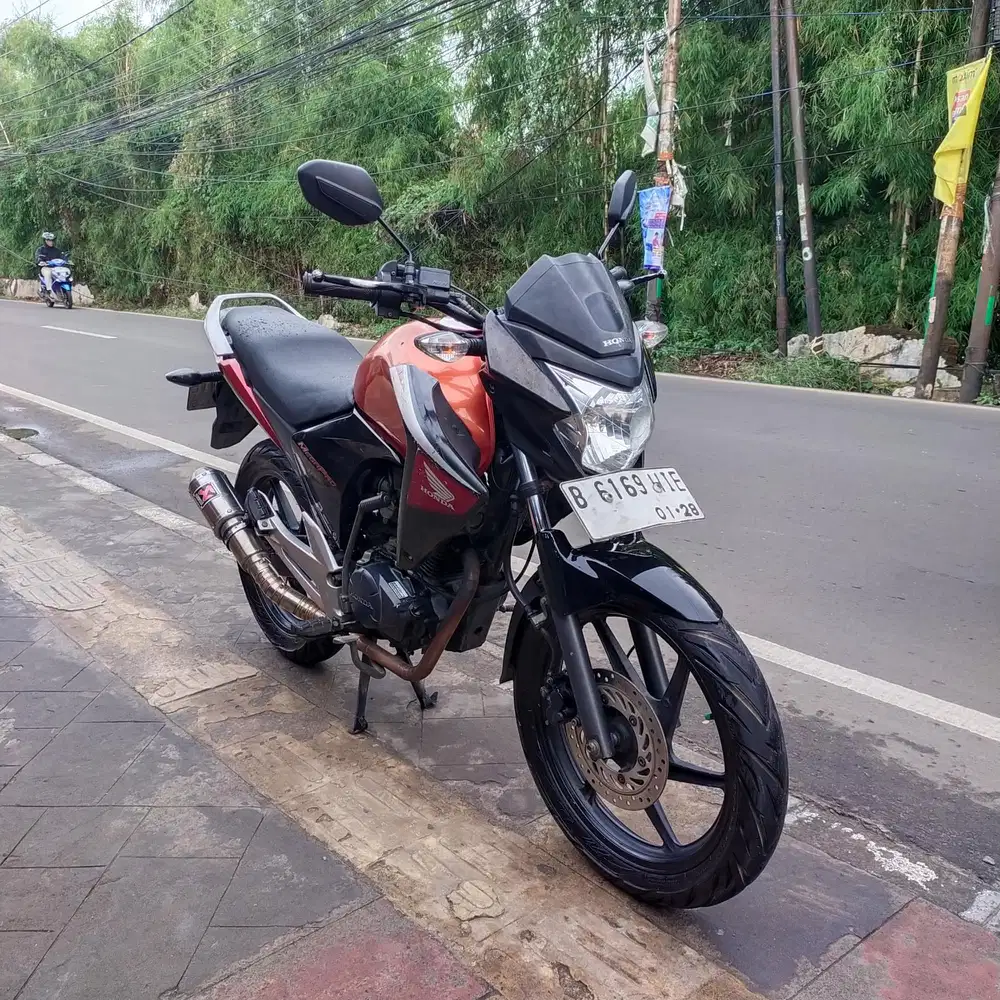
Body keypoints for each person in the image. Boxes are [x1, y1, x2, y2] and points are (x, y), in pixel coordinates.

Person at [35, 232, 66, 297]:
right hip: (45, 268)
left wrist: (66, 260)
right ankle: (49, 291)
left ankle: (62, 289)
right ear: (45, 241)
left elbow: (63, 257)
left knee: (65, 271)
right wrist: (40, 261)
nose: (51, 242)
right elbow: (38, 257)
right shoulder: (40, 250)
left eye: (52, 240)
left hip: (57, 268)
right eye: (49, 240)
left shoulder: (57, 250)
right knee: (48, 272)